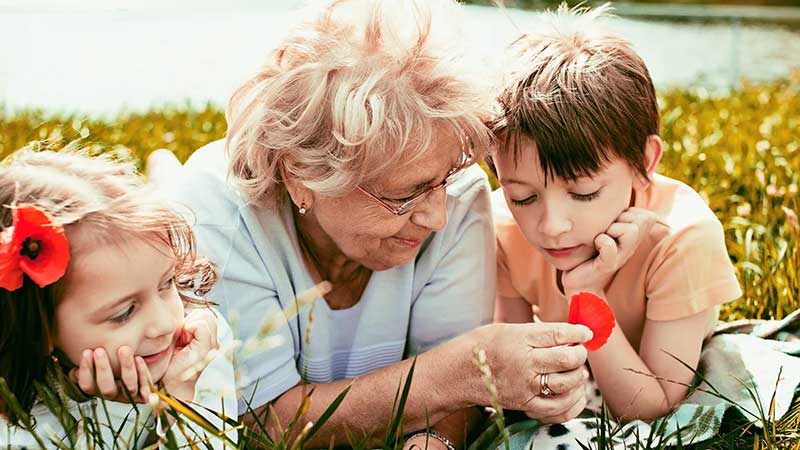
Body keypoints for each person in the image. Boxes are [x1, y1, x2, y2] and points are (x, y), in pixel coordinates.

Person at [164, 0, 594, 448]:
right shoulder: (218, 214)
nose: (437, 216)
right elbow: (254, 422)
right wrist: (466, 367)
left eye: (444, 178)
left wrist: (434, 440)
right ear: (300, 176)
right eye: (403, 194)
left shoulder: (459, 191)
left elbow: (458, 403)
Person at [489, 4, 743, 422]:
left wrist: (587, 293)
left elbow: (651, 408)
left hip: (645, 384)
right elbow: (517, 388)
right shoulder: (501, 225)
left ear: (644, 162)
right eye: (523, 197)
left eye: (584, 192)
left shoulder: (682, 239)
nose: (551, 227)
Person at [0, 148, 237, 448]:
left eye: (166, 284)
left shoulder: (195, 346)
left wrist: (185, 395)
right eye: (125, 312)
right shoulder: (21, 426)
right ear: (38, 329)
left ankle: (165, 170)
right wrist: (119, 410)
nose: (164, 323)